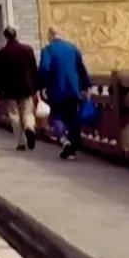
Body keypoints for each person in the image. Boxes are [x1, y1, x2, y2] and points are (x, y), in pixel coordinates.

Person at [37, 25, 91, 159]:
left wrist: (42, 85)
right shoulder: (72, 48)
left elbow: (44, 68)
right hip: (74, 89)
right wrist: (86, 86)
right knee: (73, 116)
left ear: (50, 36)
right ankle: (72, 147)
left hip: (56, 90)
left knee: (56, 116)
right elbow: (81, 68)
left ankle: (64, 140)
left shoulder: (48, 50)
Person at [0, 25, 40, 151]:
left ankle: (21, 143)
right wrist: (36, 87)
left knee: (14, 116)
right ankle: (29, 127)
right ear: (16, 35)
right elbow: (34, 70)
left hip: (9, 90)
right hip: (27, 87)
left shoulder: (2, 54)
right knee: (28, 112)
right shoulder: (28, 50)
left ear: (5, 37)